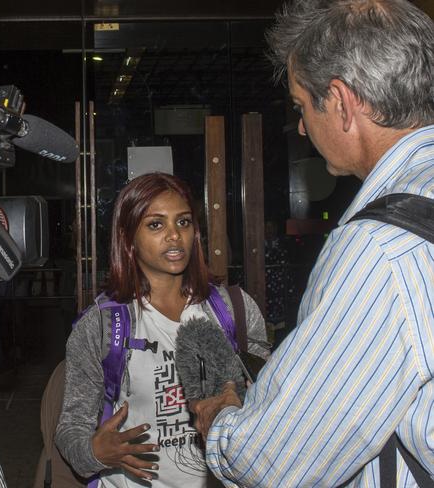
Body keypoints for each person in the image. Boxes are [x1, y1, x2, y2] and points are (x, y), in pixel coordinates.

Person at [191, 1, 434, 487]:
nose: (301, 127)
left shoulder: (380, 250)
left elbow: (276, 461)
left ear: (342, 103)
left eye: (302, 106)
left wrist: (220, 419)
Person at [54, 172, 269, 487]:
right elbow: (70, 429)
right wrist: (95, 453)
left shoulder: (233, 308)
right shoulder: (102, 326)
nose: (174, 236)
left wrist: (242, 397)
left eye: (183, 222)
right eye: (156, 225)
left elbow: (272, 395)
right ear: (127, 237)